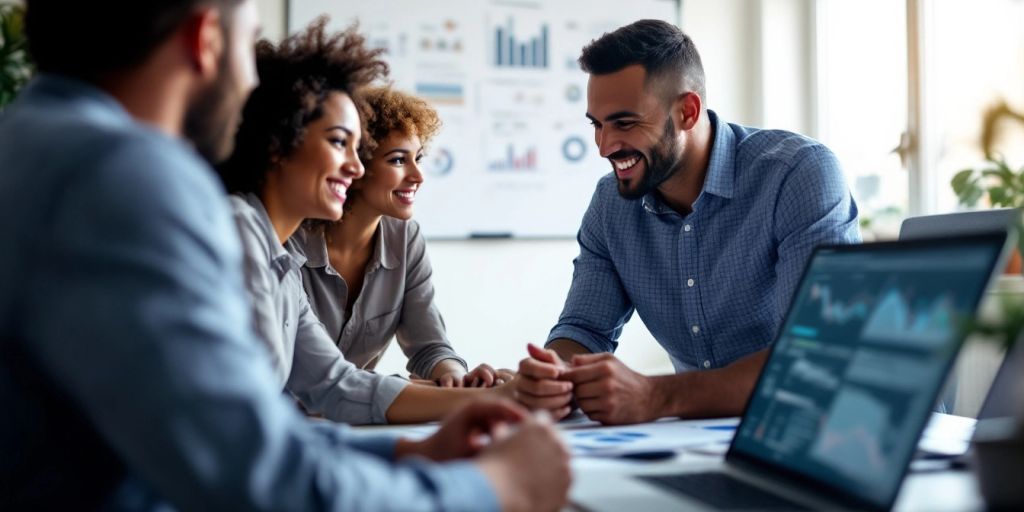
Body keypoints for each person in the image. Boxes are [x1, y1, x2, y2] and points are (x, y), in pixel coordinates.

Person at [0, 1, 569, 510]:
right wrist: (492, 488)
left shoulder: (33, 142)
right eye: (247, 46)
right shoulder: (129, 174)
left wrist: (407, 452)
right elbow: (249, 469)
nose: (250, 87)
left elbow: (322, 391)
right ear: (206, 39)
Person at [514, 19, 860, 425]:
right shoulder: (611, 205)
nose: (605, 146)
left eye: (624, 123)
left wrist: (657, 396)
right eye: (597, 124)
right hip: (710, 438)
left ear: (687, 111)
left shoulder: (797, 175)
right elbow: (584, 331)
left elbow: (820, 355)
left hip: (846, 429)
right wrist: (553, 376)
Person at [217, 20, 517, 425]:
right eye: (340, 142)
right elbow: (257, 414)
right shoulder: (241, 232)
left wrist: (493, 396)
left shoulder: (277, 259)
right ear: (278, 143)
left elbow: (336, 385)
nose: (355, 167)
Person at [293, 85, 513, 388]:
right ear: (355, 165)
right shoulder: (291, 240)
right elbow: (315, 382)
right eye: (398, 160)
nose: (418, 176)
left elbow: (429, 346)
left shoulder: (406, 238)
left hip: (354, 420)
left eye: (418, 159)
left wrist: (457, 379)